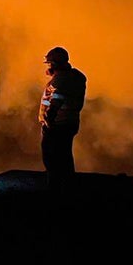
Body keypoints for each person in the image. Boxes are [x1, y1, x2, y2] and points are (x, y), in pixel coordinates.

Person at [38, 46, 87, 191]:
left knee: (52, 158)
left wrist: (48, 121)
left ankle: (56, 189)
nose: (48, 66)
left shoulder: (61, 80)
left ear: (55, 64)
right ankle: (67, 186)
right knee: (65, 156)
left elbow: (55, 102)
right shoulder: (76, 76)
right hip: (69, 122)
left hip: (57, 124)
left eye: (50, 63)